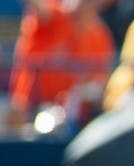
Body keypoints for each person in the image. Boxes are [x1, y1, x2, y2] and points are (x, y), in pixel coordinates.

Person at [5, 0, 114, 131]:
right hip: (29, 111)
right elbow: (37, 7)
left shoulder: (99, 34)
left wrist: (86, 93)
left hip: (74, 120)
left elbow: (100, 83)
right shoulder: (54, 17)